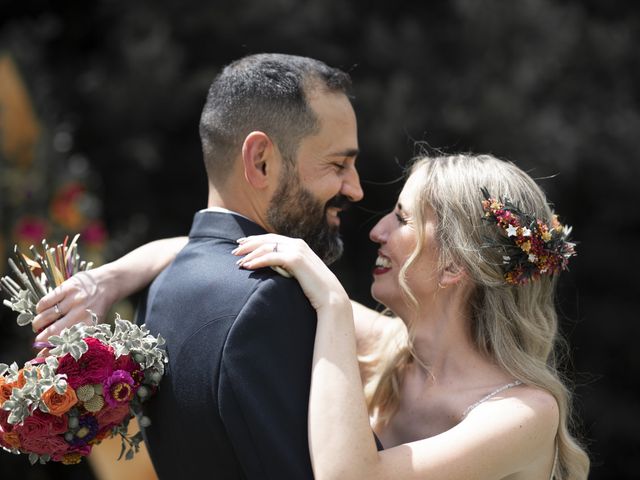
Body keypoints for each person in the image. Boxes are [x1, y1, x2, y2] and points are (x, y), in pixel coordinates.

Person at [34, 153, 590, 479]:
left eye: (402, 219)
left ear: (452, 267)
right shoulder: (390, 350)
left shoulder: (522, 413)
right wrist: (108, 280)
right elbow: (208, 250)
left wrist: (327, 301)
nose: (377, 231)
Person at [33, 53, 367, 479]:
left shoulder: (162, 286)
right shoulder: (269, 301)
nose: (354, 189)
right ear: (261, 160)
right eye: (338, 165)